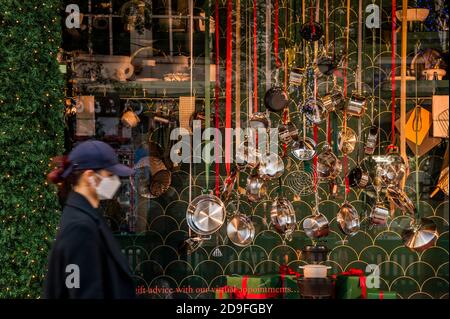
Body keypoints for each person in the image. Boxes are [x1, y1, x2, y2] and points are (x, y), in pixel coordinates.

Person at [44, 140, 136, 299]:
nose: (116, 181)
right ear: (90, 177)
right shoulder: (80, 228)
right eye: (110, 175)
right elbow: (81, 290)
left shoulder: (84, 215)